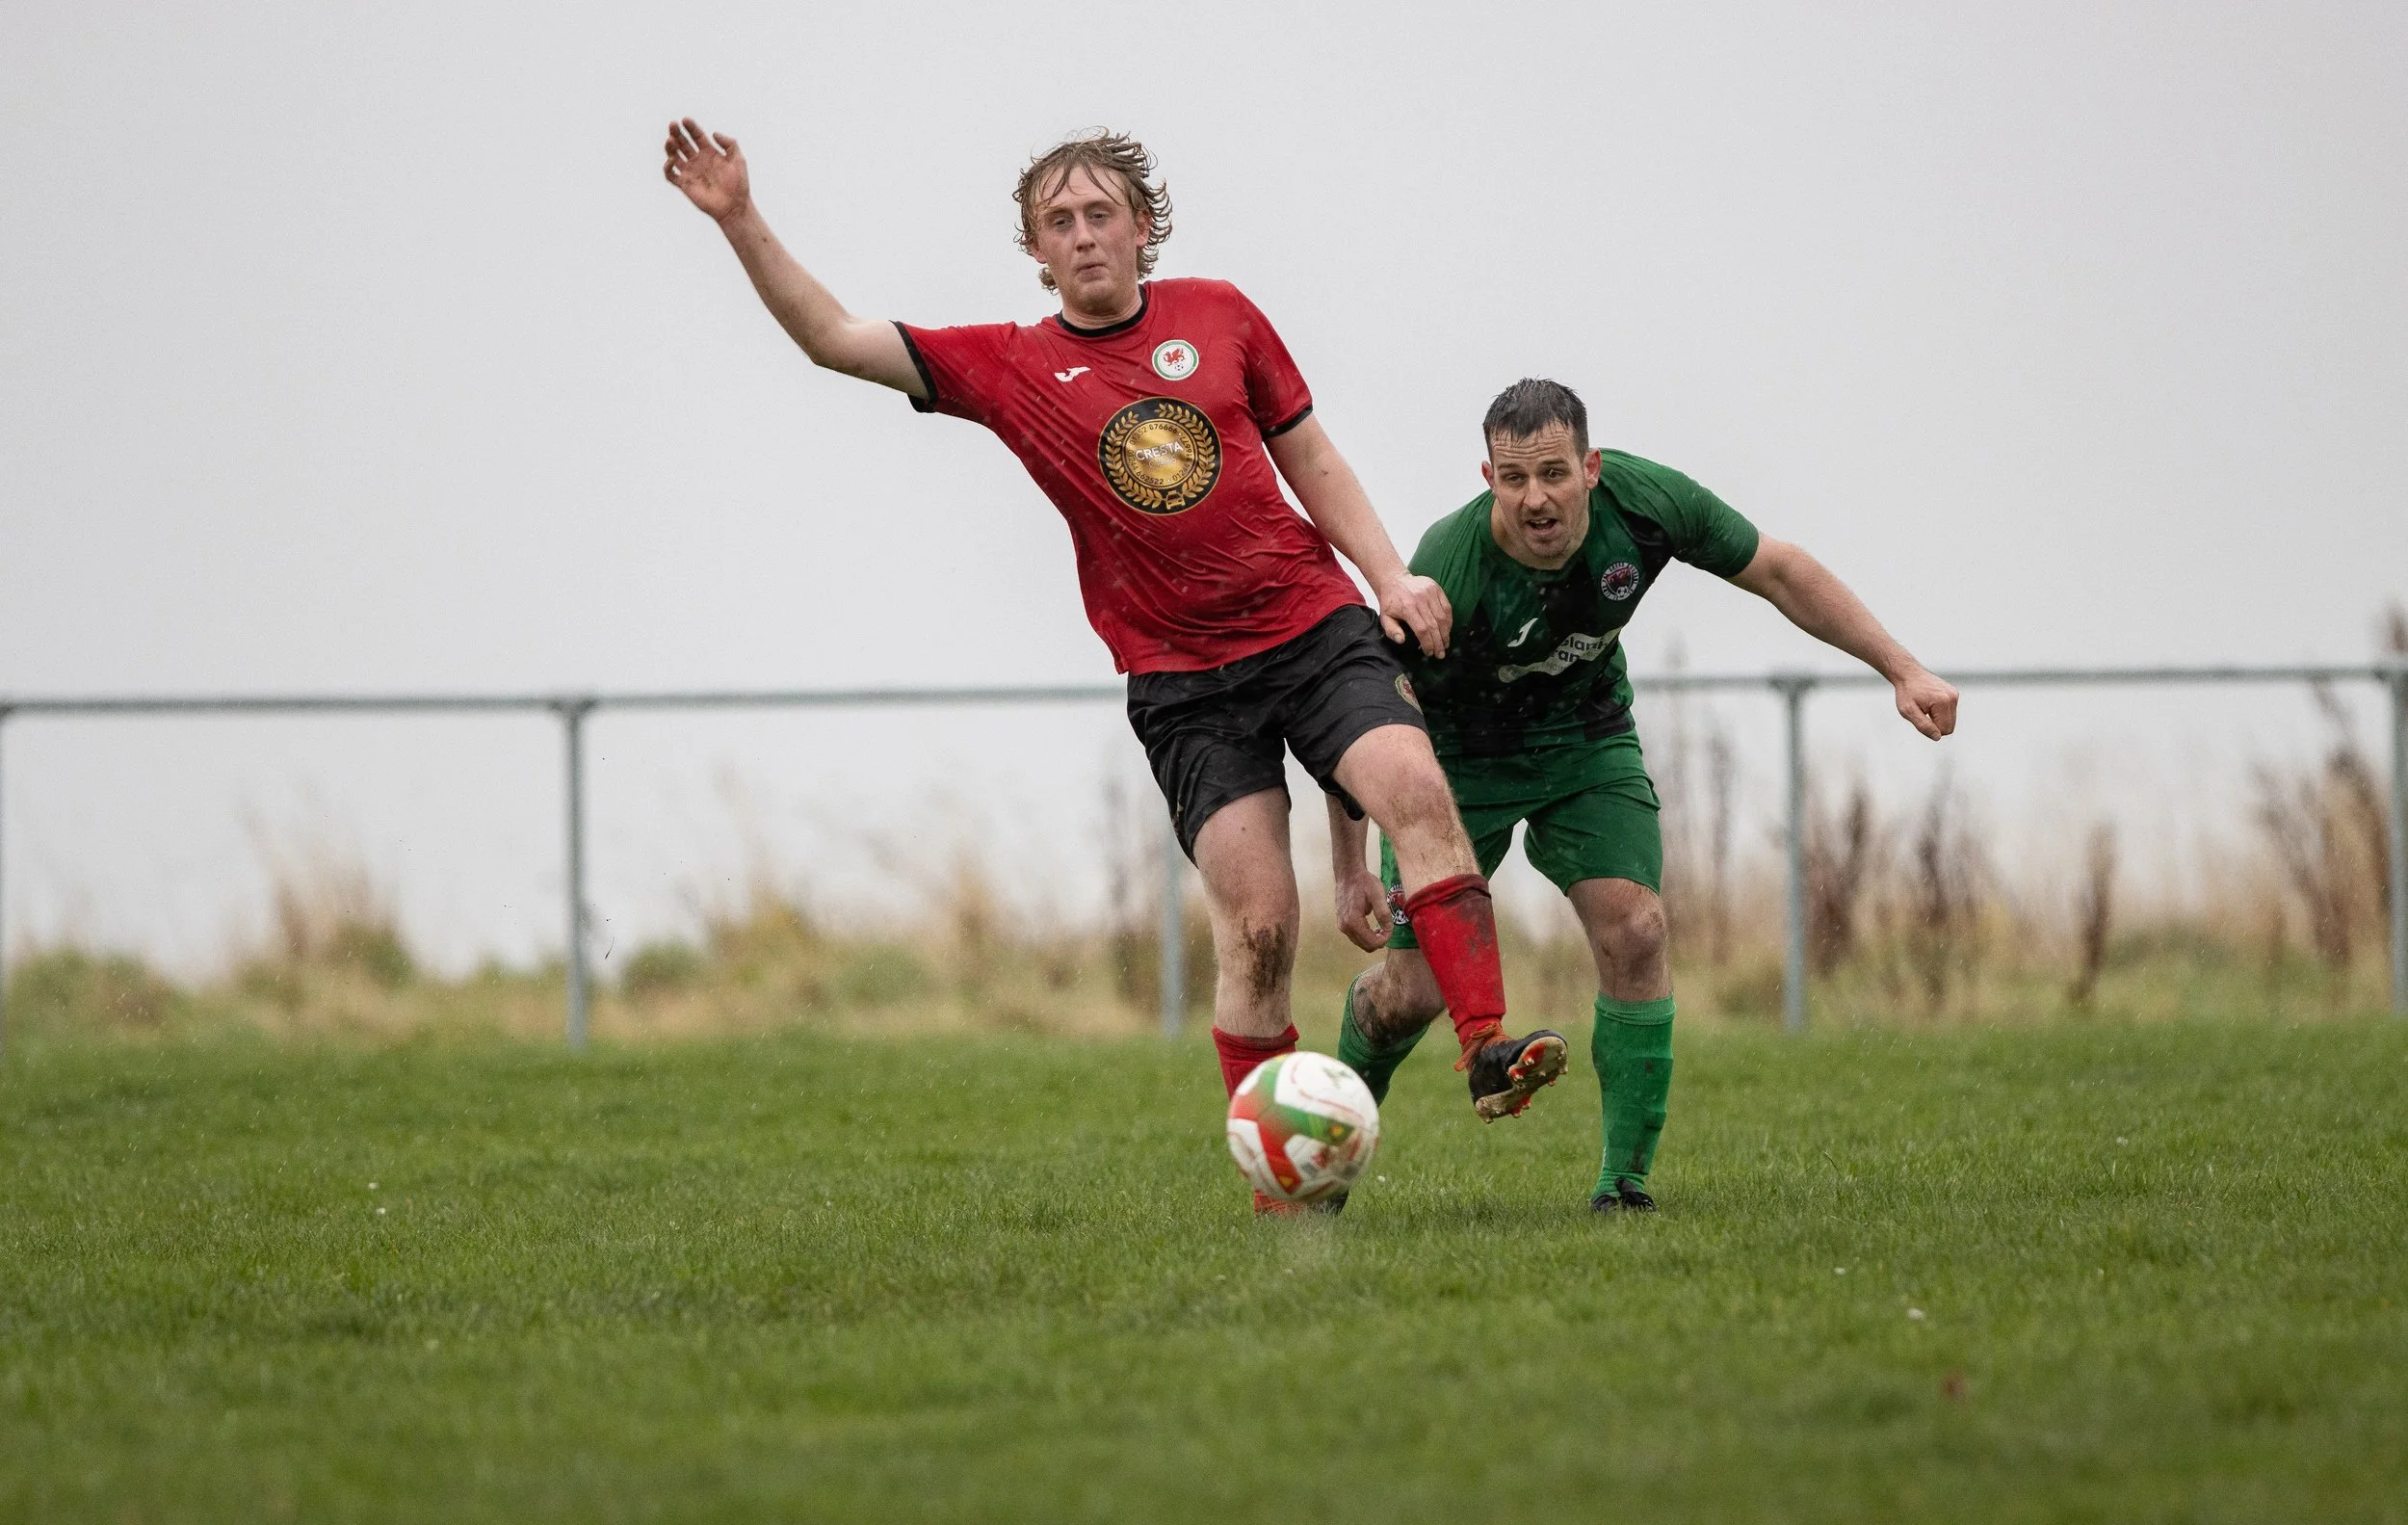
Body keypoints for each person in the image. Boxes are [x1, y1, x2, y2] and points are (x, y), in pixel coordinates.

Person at [661, 122, 1569, 1206]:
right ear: (1036, 252)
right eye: (1060, 222)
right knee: (1260, 928)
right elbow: (834, 338)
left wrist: (1389, 578)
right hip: (1184, 681)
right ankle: (1285, 1176)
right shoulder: (1007, 362)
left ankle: (1485, 1046)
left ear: (1144, 228)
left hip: (1310, 624)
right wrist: (739, 218)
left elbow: (1310, 456)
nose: (1084, 236)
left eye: (1102, 215)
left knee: (1419, 790)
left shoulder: (1223, 316)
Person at [1326, 378, 1958, 1213]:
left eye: (1554, 473)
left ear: (1590, 467)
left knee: (1638, 927)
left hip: (1586, 743)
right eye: (1514, 480)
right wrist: (1346, 869)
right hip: (1453, 767)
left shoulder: (1649, 505)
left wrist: (1902, 667)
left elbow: (1779, 570)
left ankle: (1622, 1189)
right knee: (1410, 994)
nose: (1536, 498)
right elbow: (1364, 722)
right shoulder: (1446, 566)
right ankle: (1319, 1160)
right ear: (1488, 480)